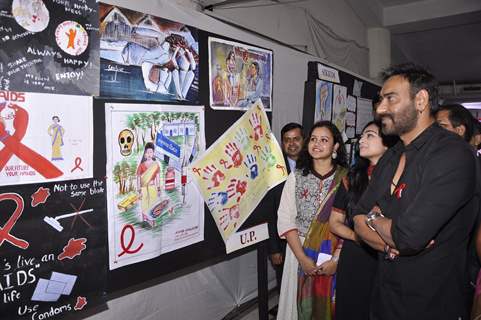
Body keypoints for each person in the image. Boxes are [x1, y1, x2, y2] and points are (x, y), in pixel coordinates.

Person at [352, 63, 479, 319]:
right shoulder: (393, 155)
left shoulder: (453, 154)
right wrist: (388, 242)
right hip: (385, 300)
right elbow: (356, 218)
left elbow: (408, 237)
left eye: (390, 99)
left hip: (433, 305)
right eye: (380, 100)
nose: (380, 109)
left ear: (420, 100)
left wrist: (374, 219)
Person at [277, 121, 348, 320]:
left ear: (335, 146)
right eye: (314, 139)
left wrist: (336, 260)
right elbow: (285, 219)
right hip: (299, 250)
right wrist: (303, 259)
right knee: (297, 306)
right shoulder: (297, 176)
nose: (317, 144)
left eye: (324, 140)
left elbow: (352, 222)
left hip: (336, 251)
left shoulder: (347, 178)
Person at [329, 120, 398, 320]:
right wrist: (358, 237)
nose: (361, 141)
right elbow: (335, 222)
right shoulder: (352, 178)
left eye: (370, 135)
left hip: (387, 256)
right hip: (355, 254)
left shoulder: (399, 178)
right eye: (361, 136)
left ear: (387, 143)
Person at [267, 123, 304, 299]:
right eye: (287, 140)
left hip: (308, 239)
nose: (292, 144)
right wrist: (274, 248)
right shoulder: (274, 169)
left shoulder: (314, 164)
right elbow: (270, 211)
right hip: (283, 242)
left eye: (296, 139)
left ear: (303, 140)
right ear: (282, 143)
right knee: (286, 291)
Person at [137, 142, 161, 226]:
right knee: (144, 204)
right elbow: (138, 177)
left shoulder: (156, 165)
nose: (149, 154)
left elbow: (158, 177)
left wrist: (158, 188)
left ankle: (152, 219)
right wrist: (139, 190)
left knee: (153, 204)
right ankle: (146, 219)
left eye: (151, 152)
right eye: (147, 152)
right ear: (144, 154)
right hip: (143, 188)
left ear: (153, 153)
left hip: (152, 187)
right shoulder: (141, 166)